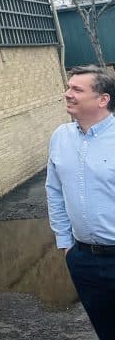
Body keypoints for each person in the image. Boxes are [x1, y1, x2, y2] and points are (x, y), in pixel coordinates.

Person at [46, 64, 115, 339]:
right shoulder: (60, 137)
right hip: (83, 259)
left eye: (76, 89)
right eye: (68, 87)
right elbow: (54, 190)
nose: (67, 94)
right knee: (105, 329)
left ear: (102, 99)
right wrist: (66, 245)